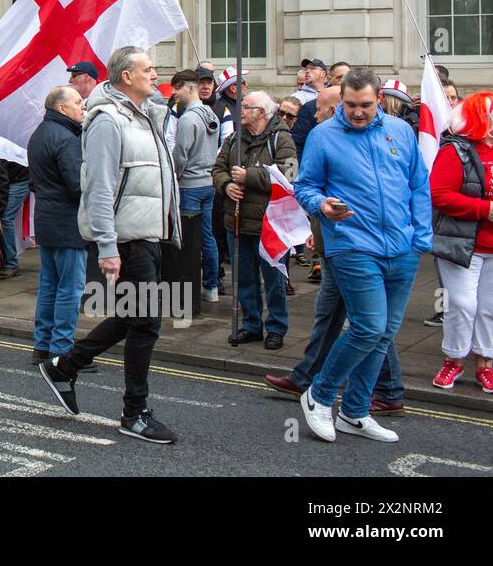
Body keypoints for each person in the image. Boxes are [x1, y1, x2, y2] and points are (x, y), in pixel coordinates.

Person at [39, 46, 180, 445]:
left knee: (136, 316)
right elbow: (98, 187)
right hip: (125, 238)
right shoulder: (106, 120)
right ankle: (134, 413)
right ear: (125, 77)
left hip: (148, 234)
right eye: (148, 69)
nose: (155, 74)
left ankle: (65, 366)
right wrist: (107, 245)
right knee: (147, 322)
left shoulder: (146, 116)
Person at [293, 68, 430, 444]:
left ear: (379, 100)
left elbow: (419, 184)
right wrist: (322, 204)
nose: (357, 112)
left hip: (402, 248)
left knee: (383, 334)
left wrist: (421, 238)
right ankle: (318, 394)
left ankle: (354, 411)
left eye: (365, 105)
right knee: (369, 327)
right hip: (352, 244)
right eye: (350, 105)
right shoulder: (323, 136)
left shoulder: (401, 131)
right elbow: (304, 186)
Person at [212, 90, 297, 348]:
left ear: (261, 112)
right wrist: (226, 185)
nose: (241, 111)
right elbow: (217, 169)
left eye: (246, 107)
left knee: (273, 280)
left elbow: (290, 176)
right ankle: (251, 325)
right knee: (244, 277)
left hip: (270, 224)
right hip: (237, 221)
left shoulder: (282, 139)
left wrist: (249, 176)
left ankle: (276, 328)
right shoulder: (236, 138)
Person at [427, 92, 493, 394]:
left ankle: (485, 364)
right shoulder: (457, 150)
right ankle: (454, 358)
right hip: (463, 243)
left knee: (489, 308)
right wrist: (485, 210)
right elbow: (439, 195)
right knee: (463, 305)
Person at [27, 85, 92, 366]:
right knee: (70, 289)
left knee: (49, 285)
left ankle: (42, 345)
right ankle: (61, 349)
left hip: (46, 221)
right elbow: (78, 186)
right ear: (61, 108)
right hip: (68, 224)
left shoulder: (39, 134)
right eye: (78, 102)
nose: (83, 106)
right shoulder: (67, 139)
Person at [170, 69, 221, 302]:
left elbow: (180, 156)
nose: (174, 93)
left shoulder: (188, 118)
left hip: (189, 185)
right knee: (207, 236)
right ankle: (211, 286)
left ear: (189, 88)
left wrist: (174, 176)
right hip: (208, 183)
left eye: (177, 88)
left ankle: (187, 289)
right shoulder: (210, 113)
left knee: (188, 240)